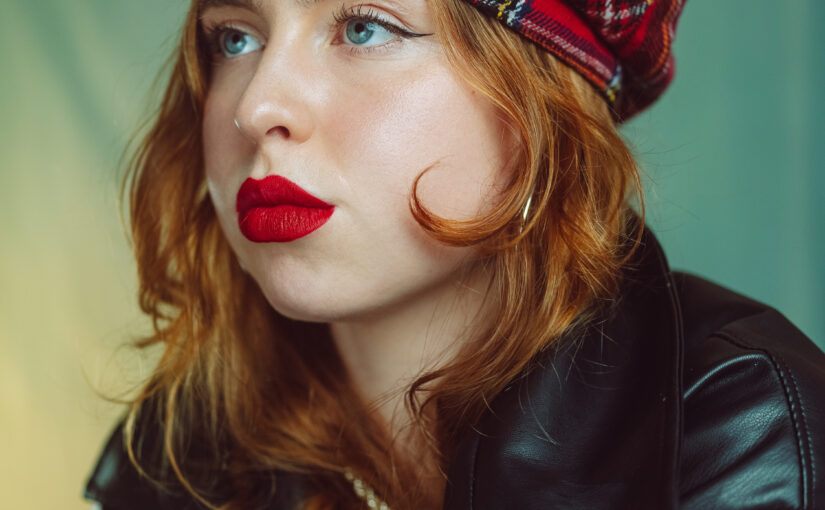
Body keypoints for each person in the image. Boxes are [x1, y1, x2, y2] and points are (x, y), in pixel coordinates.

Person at [84, 0, 825, 508]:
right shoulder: (179, 447)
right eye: (235, 37)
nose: (256, 107)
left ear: (540, 109)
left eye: (364, 27)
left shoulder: (736, 427)